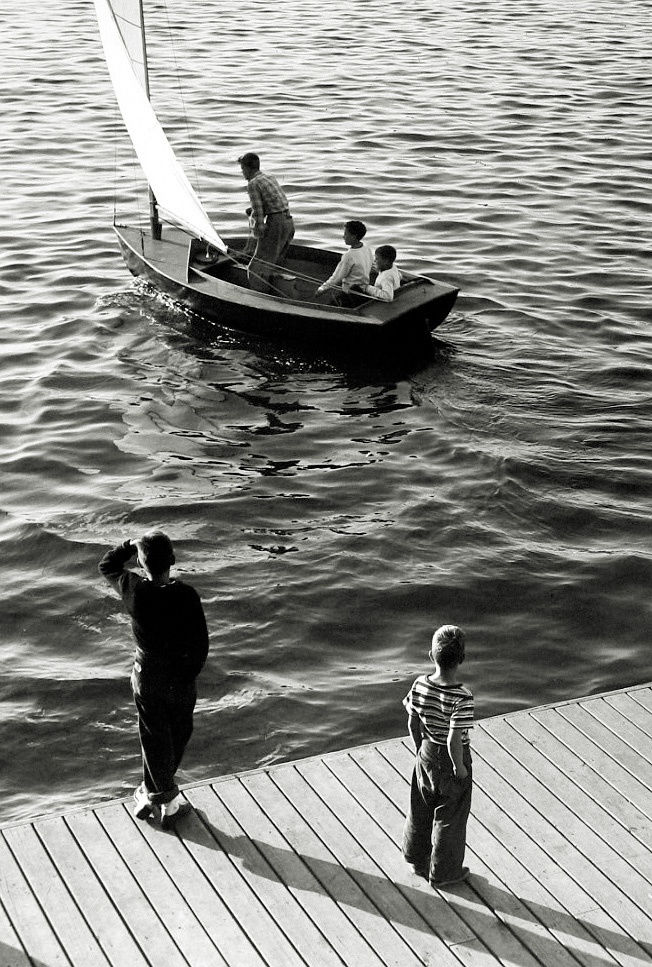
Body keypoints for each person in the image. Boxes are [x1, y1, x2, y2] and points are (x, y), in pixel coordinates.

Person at [98, 531, 209, 829]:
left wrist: (128, 545)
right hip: (180, 677)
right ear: (172, 560)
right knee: (177, 734)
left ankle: (152, 795)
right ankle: (165, 800)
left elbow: (107, 565)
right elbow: (201, 644)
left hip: (147, 675)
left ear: (140, 562)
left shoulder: (136, 591)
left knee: (154, 737)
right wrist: (188, 675)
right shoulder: (186, 595)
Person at [402, 624, 473, 887]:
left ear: (431, 656)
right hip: (453, 757)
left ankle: (415, 858)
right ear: (462, 659)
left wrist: (420, 748)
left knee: (420, 806)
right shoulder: (462, 697)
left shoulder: (420, 684)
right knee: (450, 816)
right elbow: (455, 738)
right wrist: (459, 767)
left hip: (426, 751)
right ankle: (444, 872)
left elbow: (412, 723)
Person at [238, 152, 295, 293]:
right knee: (274, 262)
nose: (242, 173)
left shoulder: (253, 183)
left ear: (247, 168)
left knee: (256, 268)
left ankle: (260, 298)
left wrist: (258, 232)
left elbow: (258, 212)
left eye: (242, 169)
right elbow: (274, 201)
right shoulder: (269, 177)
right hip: (288, 221)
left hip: (276, 223)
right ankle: (276, 292)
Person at [315, 220, 373, 305]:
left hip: (350, 294)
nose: (343, 236)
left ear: (354, 236)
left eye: (346, 234)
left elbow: (337, 277)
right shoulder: (367, 249)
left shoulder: (349, 255)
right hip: (363, 290)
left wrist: (322, 289)